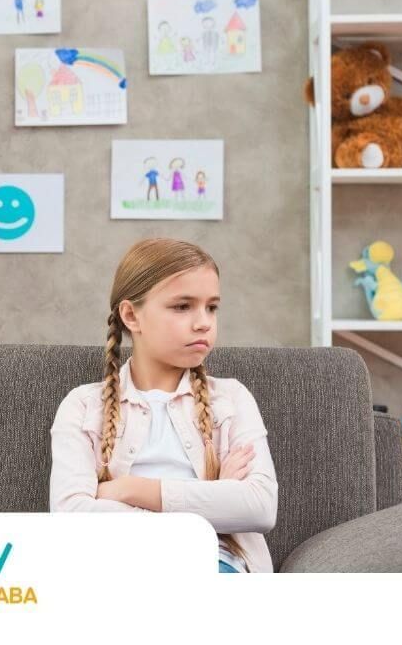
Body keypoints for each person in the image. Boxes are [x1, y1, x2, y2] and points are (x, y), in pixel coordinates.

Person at [48, 238, 279, 572]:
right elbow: (71, 514)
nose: (203, 322)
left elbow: (259, 508)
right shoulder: (83, 406)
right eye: (182, 306)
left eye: (211, 307)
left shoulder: (231, 399)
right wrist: (211, 498)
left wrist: (128, 490)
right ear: (131, 315)